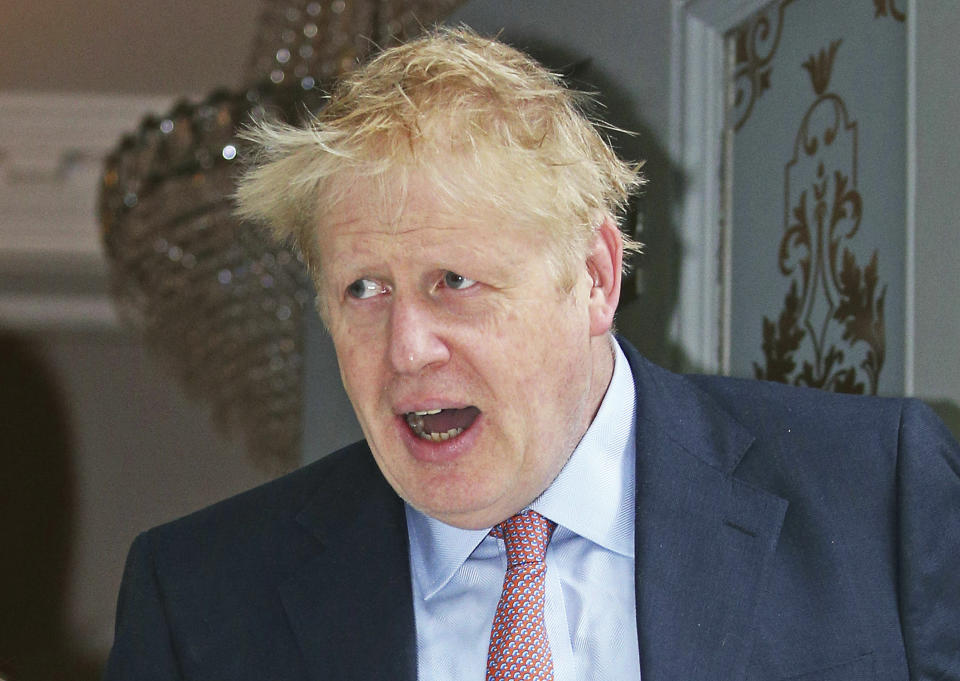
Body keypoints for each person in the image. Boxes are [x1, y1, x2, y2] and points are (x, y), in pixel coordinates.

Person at [103, 27, 960, 681]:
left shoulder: (879, 494)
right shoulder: (199, 601)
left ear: (593, 276)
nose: (405, 347)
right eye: (364, 289)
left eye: (454, 280)